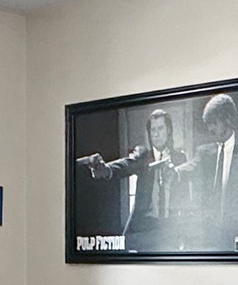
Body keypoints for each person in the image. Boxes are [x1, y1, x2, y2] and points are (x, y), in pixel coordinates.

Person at [79, 107, 186, 251]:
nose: (156, 134)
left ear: (169, 130)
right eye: (152, 130)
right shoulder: (142, 155)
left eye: (160, 128)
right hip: (144, 228)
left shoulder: (180, 158)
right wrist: (106, 170)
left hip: (169, 228)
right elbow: (125, 165)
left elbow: (184, 195)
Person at [180, 92, 238, 249]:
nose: (210, 129)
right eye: (208, 124)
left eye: (214, 123)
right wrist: (174, 171)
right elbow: (191, 166)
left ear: (227, 120)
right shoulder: (204, 152)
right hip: (209, 234)